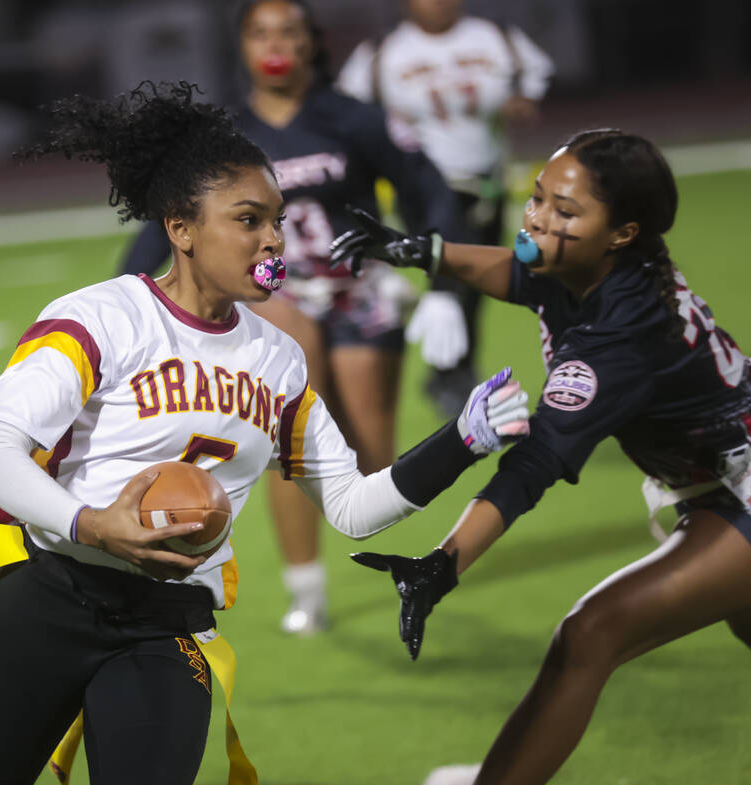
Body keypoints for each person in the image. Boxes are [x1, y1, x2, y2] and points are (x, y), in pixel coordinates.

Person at [0, 80, 530, 785]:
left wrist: (461, 441)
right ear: (181, 228)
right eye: (249, 219)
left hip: (167, 626)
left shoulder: (277, 359)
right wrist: (94, 523)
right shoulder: (100, 317)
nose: (273, 238)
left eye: (276, 219)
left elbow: (352, 504)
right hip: (50, 599)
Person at [332, 129, 751, 785]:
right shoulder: (592, 265)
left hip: (738, 489)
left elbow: (534, 464)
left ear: (621, 231)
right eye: (537, 198)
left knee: (589, 634)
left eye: (565, 211)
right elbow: (517, 271)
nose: (537, 219)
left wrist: (443, 563)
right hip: (716, 483)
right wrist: (423, 251)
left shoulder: (618, 338)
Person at [121, 0, 468, 636]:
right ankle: (305, 587)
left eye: (289, 31)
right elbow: (166, 221)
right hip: (273, 284)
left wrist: (444, 283)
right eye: (261, 32)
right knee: (290, 429)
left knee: (366, 455)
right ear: (244, 46)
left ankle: (358, 551)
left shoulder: (352, 118)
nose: (276, 43)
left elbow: (431, 189)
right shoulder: (220, 136)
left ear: (312, 44)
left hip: (358, 289)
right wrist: (124, 302)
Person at [337, 0, 555, 419]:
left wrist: (522, 100)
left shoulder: (493, 36)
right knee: (454, 270)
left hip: (486, 179)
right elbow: (349, 109)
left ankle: (456, 368)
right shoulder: (384, 52)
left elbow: (535, 73)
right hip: (425, 183)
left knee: (483, 274)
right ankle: (449, 373)